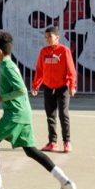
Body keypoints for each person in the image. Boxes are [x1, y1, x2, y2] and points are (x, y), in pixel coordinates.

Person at [0, 31, 76, 189]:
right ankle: (64, 181)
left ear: (0, 51)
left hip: (15, 114)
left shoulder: (8, 67)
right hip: (23, 113)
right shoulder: (5, 65)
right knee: (30, 151)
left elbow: (21, 89)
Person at [30, 25, 77, 153]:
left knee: (63, 115)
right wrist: (35, 85)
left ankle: (67, 142)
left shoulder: (64, 50)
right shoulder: (43, 52)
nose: (47, 39)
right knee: (50, 116)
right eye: (46, 37)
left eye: (50, 37)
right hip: (48, 87)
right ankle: (52, 142)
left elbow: (71, 70)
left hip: (62, 88)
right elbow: (40, 70)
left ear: (57, 37)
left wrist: (72, 86)